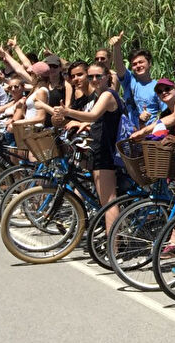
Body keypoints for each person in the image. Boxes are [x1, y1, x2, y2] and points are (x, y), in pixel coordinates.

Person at [51, 64, 124, 232]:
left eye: (98, 76)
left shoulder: (107, 95)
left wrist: (67, 111)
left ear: (107, 76)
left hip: (106, 151)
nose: (94, 80)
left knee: (109, 201)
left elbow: (92, 116)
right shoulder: (99, 96)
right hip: (96, 148)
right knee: (103, 199)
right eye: (91, 77)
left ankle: (113, 248)